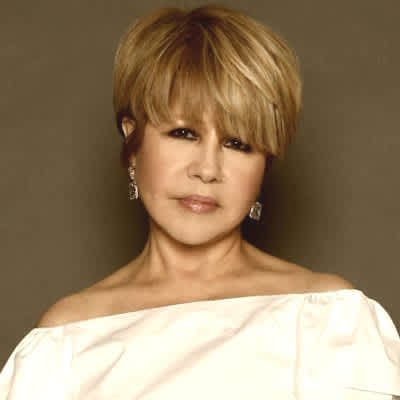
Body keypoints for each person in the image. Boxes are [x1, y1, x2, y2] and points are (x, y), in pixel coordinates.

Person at [1, 4, 399, 399]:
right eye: (183, 134)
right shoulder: (66, 342)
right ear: (132, 141)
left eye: (237, 143)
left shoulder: (326, 320)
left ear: (265, 164)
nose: (207, 169)